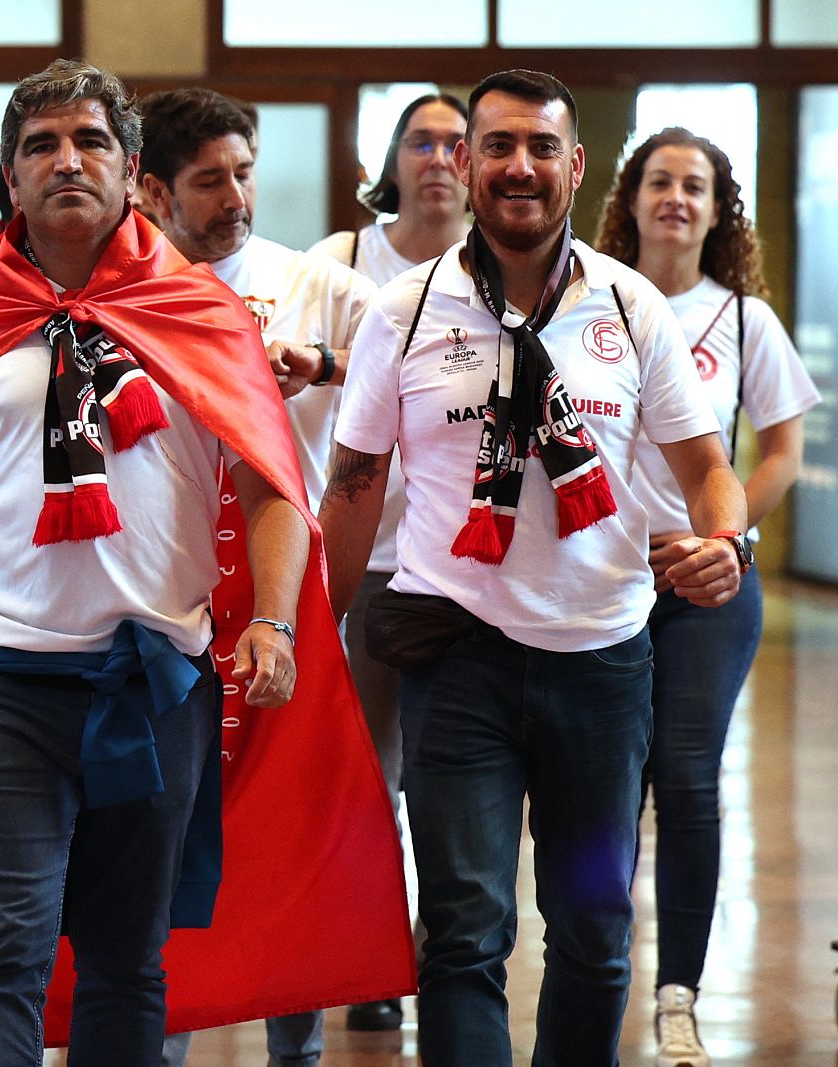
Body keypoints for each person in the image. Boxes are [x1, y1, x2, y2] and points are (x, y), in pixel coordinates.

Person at [0, 59, 411, 1067]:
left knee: (126, 958)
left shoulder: (201, 317)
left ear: (131, 171)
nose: (66, 160)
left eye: (90, 142)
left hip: (154, 686)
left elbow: (272, 488)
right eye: (40, 145)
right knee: (7, 945)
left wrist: (275, 619)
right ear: (7, 175)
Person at [318, 70, 749, 1067]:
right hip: (455, 660)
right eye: (498, 146)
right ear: (464, 162)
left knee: (594, 931)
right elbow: (352, 489)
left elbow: (706, 468)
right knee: (463, 930)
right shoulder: (400, 310)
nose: (519, 167)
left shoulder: (632, 308)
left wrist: (723, 543)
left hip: (600, 664)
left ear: (573, 166)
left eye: (541, 148)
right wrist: (305, 633)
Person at [136, 86, 374, 1067]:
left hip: (282, 586)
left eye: (243, 172)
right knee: (168, 825)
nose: (235, 195)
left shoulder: (309, 279)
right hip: (172, 583)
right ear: (151, 190)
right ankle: (167, 1033)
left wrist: (316, 363)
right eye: (208, 180)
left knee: (288, 825)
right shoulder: (132, 284)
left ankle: (298, 1045)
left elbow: (411, 365)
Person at [595, 127, 818, 1067]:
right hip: (601, 581)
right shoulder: (589, 299)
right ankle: (593, 978)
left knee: (685, 777)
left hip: (709, 586)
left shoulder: (742, 321)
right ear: (631, 198)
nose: (675, 198)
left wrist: (714, 539)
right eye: (659, 181)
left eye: (695, 185)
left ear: (719, 207)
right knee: (602, 789)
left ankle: (677, 994)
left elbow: (781, 455)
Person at [308, 89, 470, 1034]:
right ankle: (366, 951)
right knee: (370, 773)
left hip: (461, 565)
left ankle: (437, 944)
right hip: (367, 559)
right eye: (423, 141)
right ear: (394, 161)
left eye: (458, 142)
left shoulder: (500, 267)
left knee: (446, 773)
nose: (442, 157)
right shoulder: (342, 260)